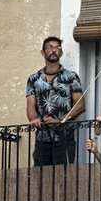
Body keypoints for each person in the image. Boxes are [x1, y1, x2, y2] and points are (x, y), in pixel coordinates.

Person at [26, 36, 86, 165]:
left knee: (62, 175)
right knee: (40, 175)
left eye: (57, 47)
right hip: (42, 136)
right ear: (43, 52)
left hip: (64, 136)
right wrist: (34, 119)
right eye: (49, 47)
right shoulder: (34, 79)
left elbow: (80, 105)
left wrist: (60, 120)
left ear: (61, 52)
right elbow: (30, 106)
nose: (53, 50)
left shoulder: (71, 77)